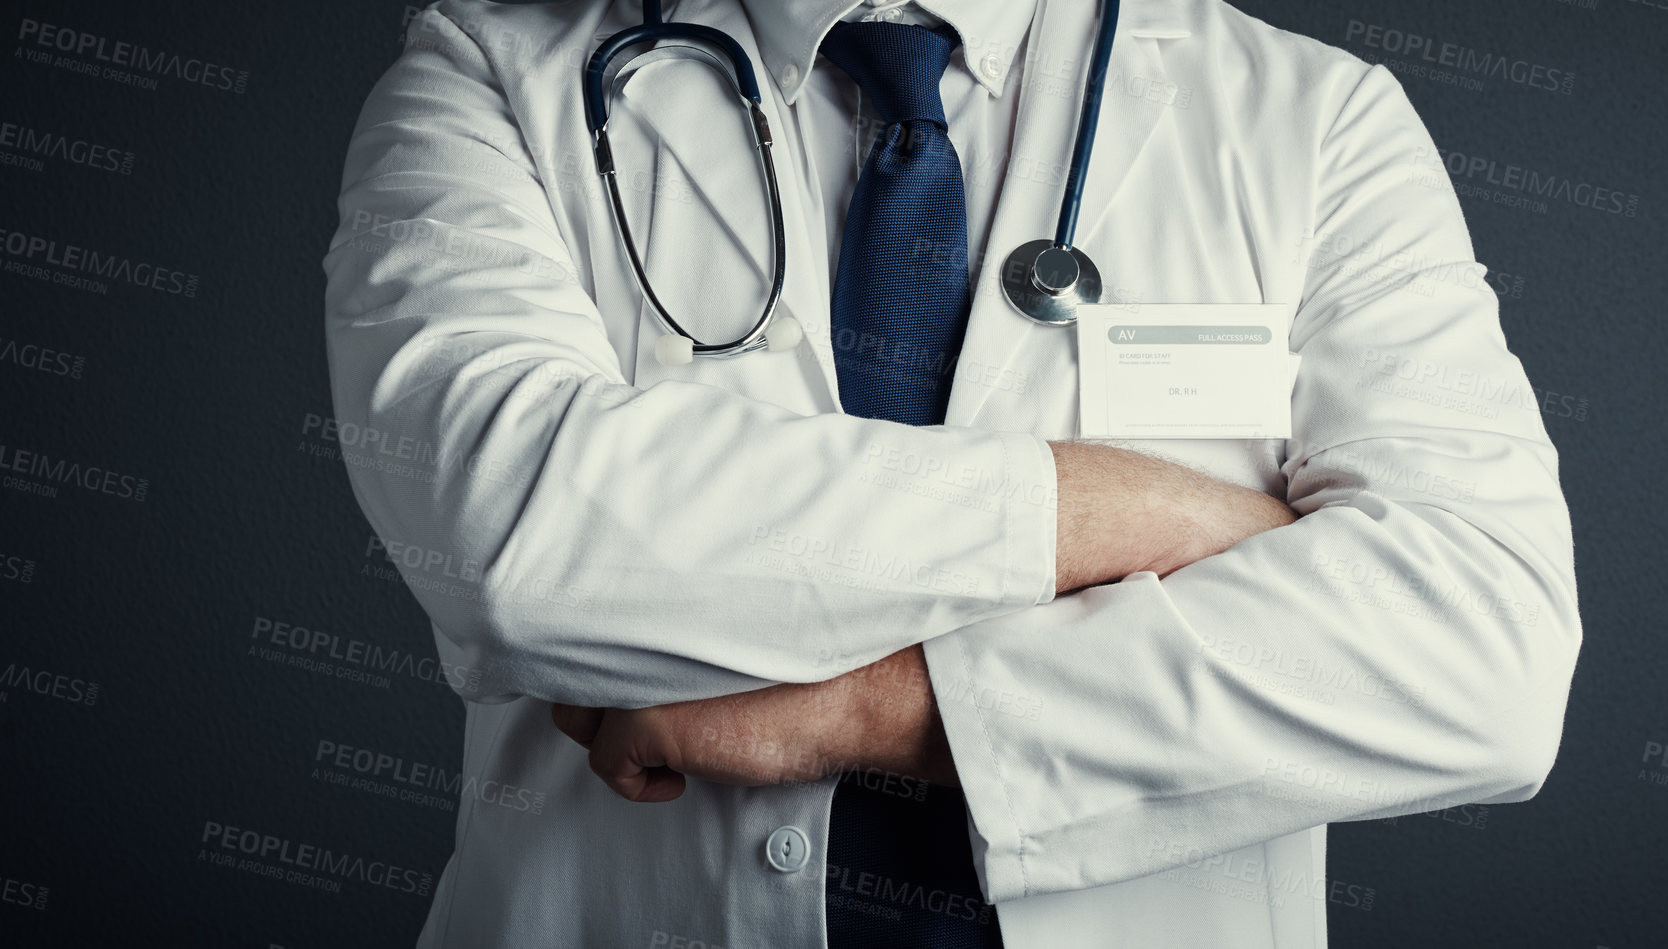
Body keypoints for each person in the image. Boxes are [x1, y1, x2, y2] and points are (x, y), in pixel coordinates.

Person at [321, 0, 1583, 946]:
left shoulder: (1313, 122)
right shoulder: (491, 73)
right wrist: (1118, 506)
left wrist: (857, 712)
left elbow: (1483, 655)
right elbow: (511, 535)